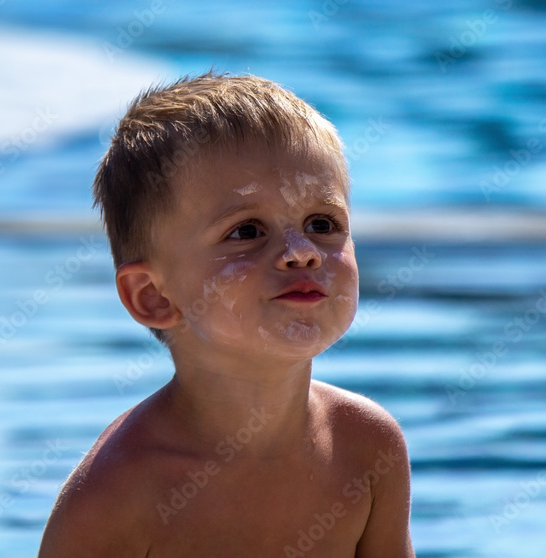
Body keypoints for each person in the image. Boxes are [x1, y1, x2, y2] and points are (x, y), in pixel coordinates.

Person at [38, 72, 414, 557]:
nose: (302, 252)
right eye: (247, 231)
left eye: (322, 224)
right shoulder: (118, 494)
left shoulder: (367, 448)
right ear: (154, 297)